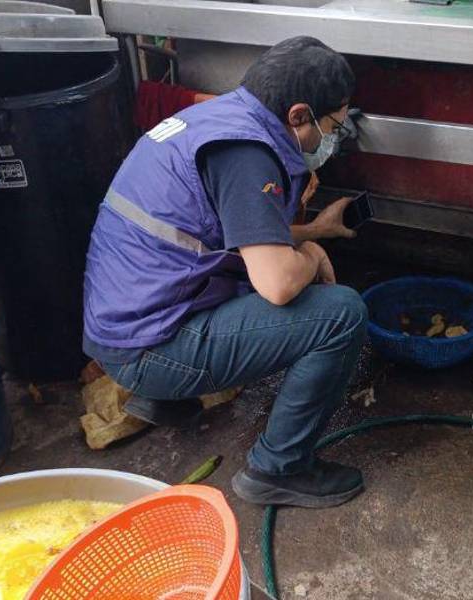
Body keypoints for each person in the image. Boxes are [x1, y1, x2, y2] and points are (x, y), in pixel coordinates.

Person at [82, 36, 366, 509]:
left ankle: (163, 399)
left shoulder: (222, 118)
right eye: (332, 125)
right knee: (341, 315)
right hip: (145, 347)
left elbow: (224, 235)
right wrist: (312, 255)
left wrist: (314, 230)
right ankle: (280, 469)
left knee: (253, 271)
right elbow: (276, 284)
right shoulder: (246, 154)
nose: (332, 138)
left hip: (126, 319)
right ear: (298, 115)